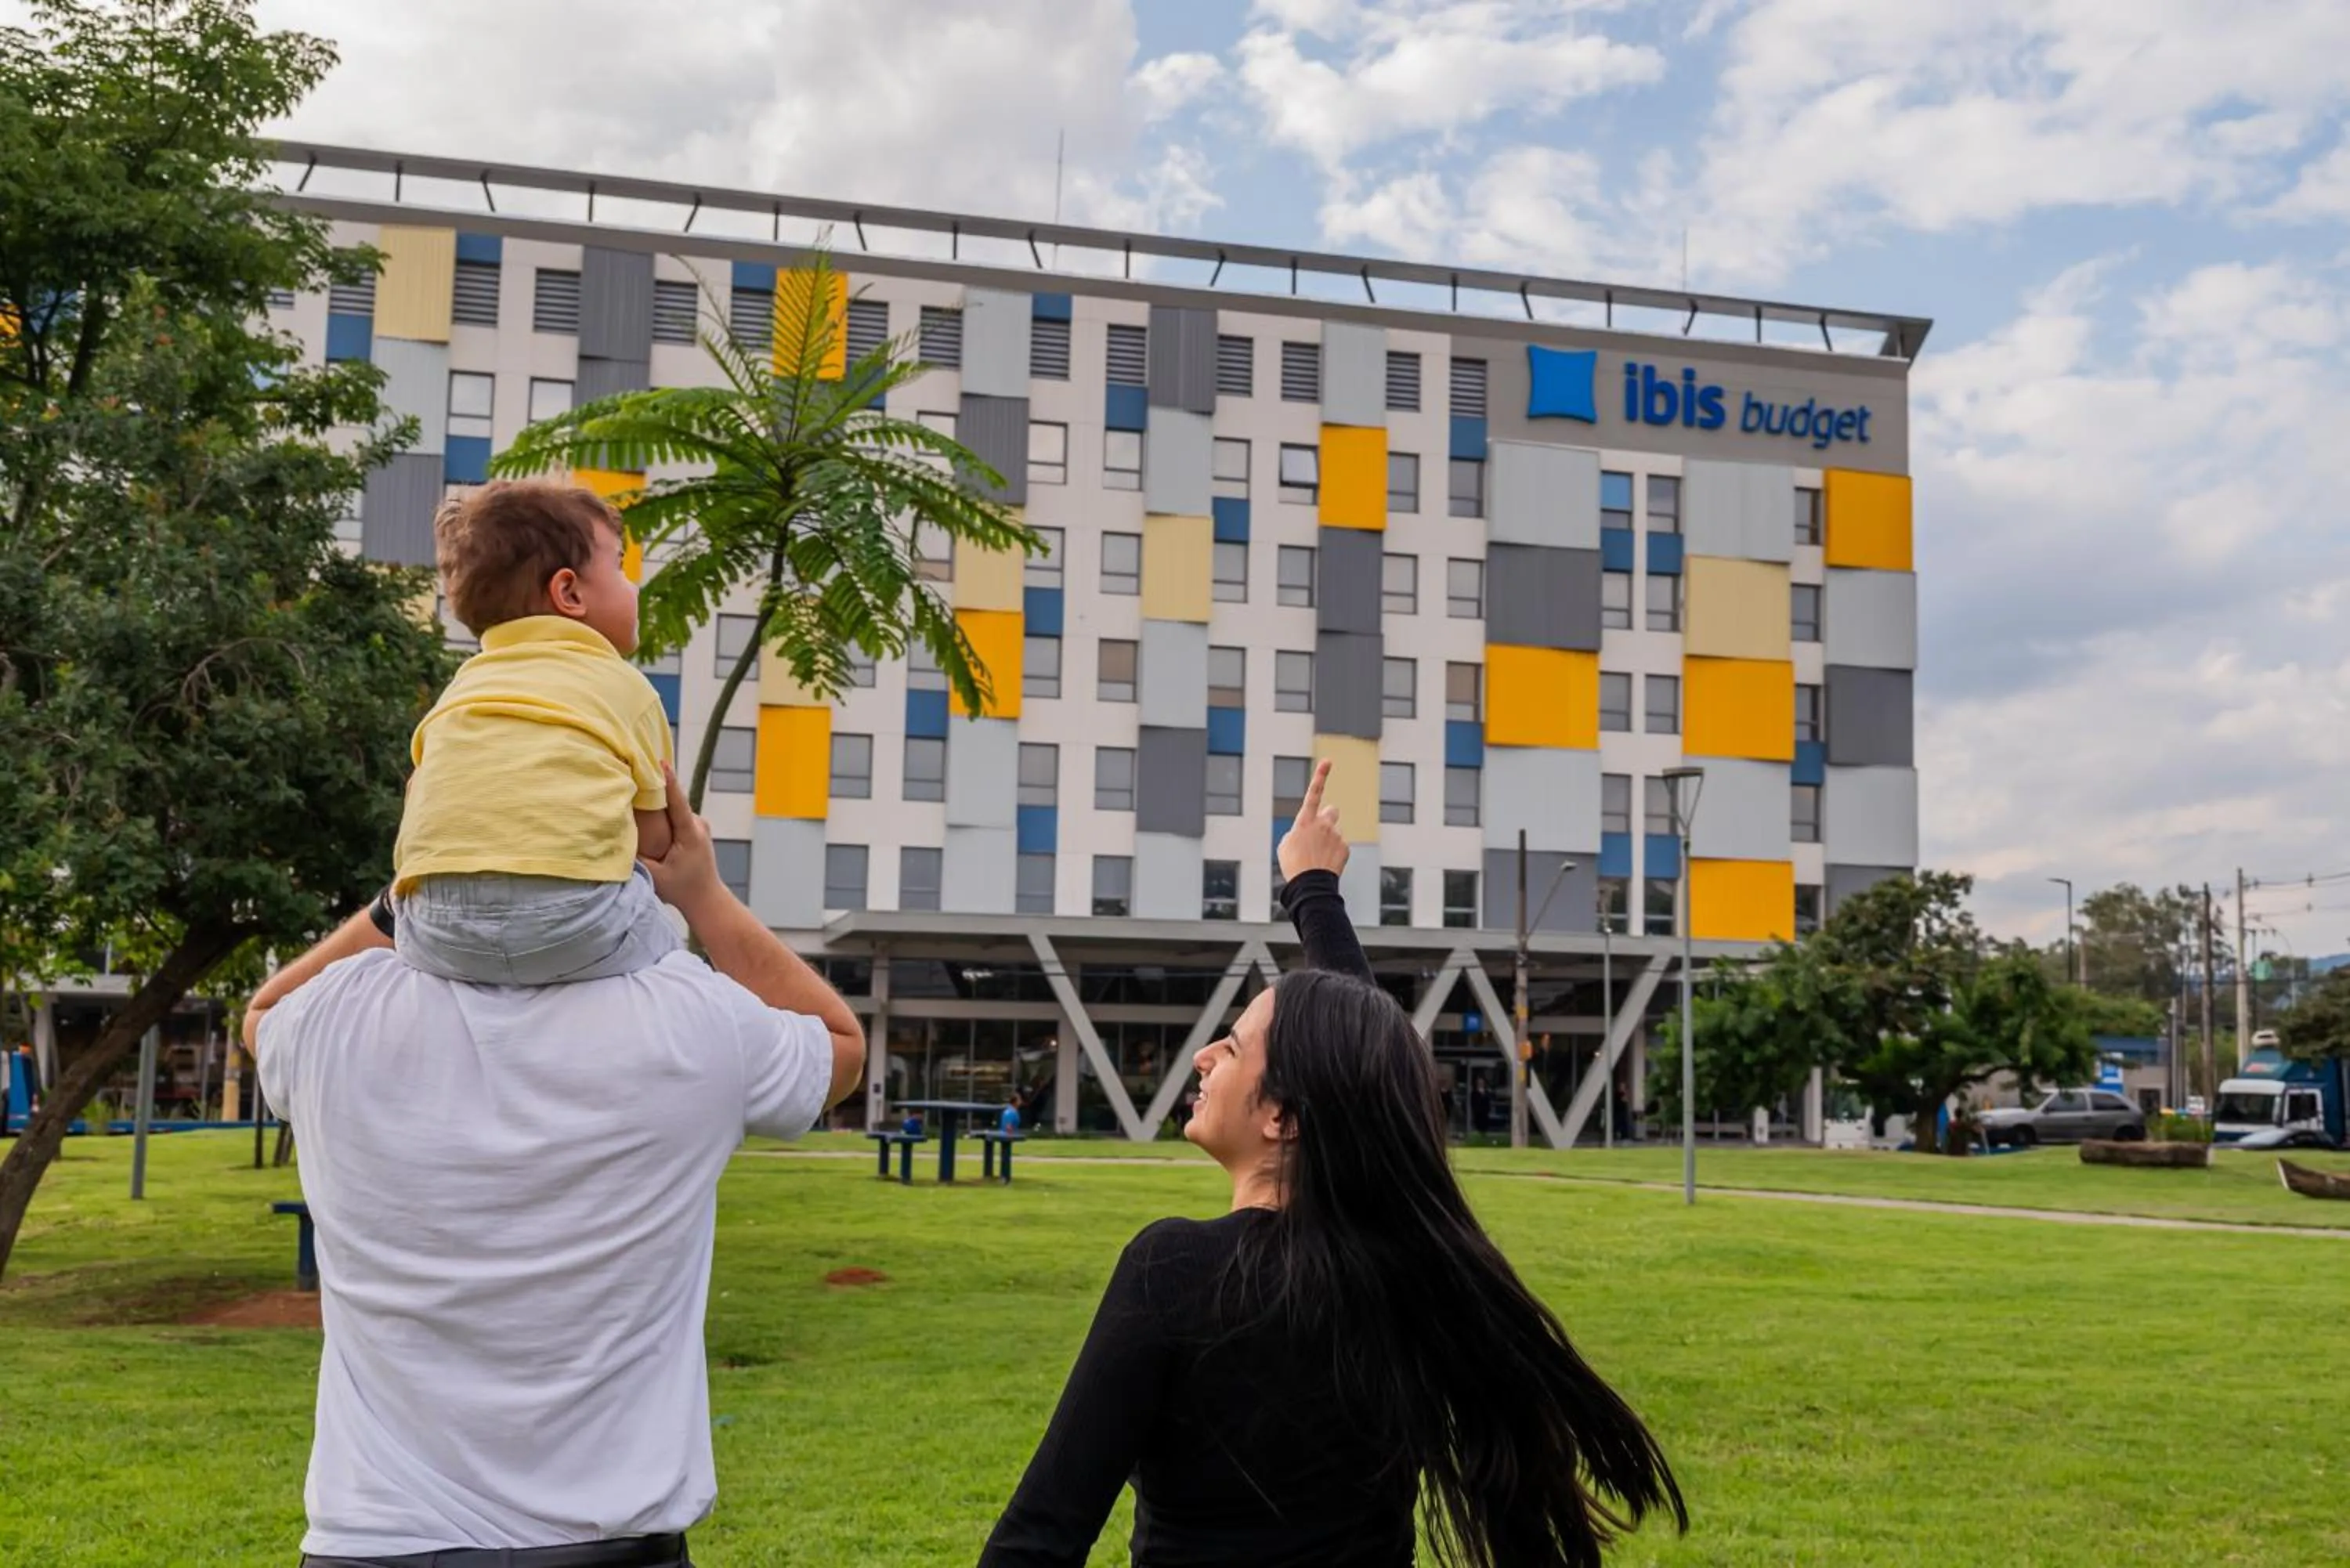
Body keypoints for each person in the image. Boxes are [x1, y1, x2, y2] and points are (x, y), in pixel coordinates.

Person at [979, 761, 1684, 1568]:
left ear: (1282, 1114)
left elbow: (1040, 1537)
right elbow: (1365, 1075)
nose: (1205, 1055)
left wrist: (1312, 889)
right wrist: (1313, 891)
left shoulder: (1172, 1270)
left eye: (1234, 1044)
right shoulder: (1399, 1275)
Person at [245, 765, 862, 1568]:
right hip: (607, 1545)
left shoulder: (339, 1014)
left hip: (377, 1539)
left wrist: (399, 902)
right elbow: (839, 1050)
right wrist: (702, 894)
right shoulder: (691, 1014)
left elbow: (260, 1014)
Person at [384, 479, 682, 985]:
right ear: (569, 592)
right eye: (621, 567)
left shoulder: (458, 691)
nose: (635, 586)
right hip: (574, 924)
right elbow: (653, 845)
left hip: (435, 930)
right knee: (671, 951)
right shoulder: (627, 690)